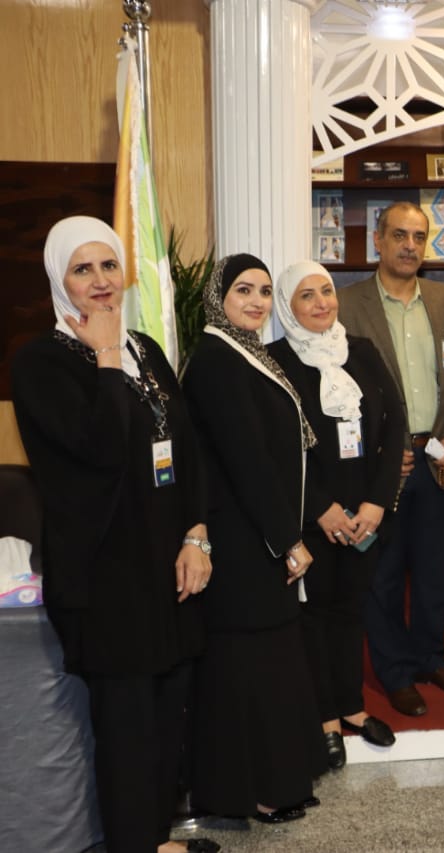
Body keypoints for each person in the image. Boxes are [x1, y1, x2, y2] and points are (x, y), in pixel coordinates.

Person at [12, 217, 218, 853]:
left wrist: (197, 535)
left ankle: (155, 837)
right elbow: (100, 454)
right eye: (82, 269)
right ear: (59, 280)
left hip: (169, 565)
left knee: (167, 715)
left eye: (108, 265)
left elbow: (186, 448)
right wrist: (103, 357)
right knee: (127, 729)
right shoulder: (41, 362)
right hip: (106, 579)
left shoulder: (145, 349)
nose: (100, 281)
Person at [183, 253, 324, 823]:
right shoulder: (216, 359)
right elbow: (247, 460)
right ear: (219, 297)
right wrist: (288, 539)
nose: (257, 301)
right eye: (243, 290)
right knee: (245, 666)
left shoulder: (247, 353)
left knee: (270, 662)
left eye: (265, 291)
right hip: (242, 538)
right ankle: (249, 792)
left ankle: (276, 780)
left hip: (257, 530)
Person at [338, 201, 444, 718]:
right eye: (399, 235)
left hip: (438, 461)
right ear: (378, 240)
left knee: (436, 572)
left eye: (419, 237)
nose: (410, 246)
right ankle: (394, 672)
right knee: (384, 576)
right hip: (382, 468)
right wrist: (373, 453)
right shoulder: (347, 305)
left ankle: (431, 659)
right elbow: (334, 391)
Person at [269, 262, 404, 769]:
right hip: (313, 516)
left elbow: (395, 424)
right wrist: (319, 507)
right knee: (314, 617)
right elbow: (277, 450)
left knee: (352, 610)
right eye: (307, 295)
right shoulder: (275, 361)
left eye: (326, 290)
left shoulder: (361, 351)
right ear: (288, 307)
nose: (322, 302)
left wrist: (378, 501)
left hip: (365, 513)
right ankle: (324, 716)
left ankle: (352, 706)